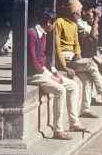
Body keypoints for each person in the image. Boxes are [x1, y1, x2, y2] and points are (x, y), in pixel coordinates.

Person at [54, 0, 102, 117]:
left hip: (74, 59)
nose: (79, 16)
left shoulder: (73, 25)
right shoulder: (59, 22)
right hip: (64, 60)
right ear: (73, 13)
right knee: (91, 64)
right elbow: (57, 46)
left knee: (87, 79)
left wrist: (77, 55)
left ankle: (85, 109)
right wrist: (64, 67)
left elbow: (76, 45)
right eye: (78, 13)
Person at [27, 11, 83, 139]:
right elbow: (33, 61)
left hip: (44, 72)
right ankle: (58, 130)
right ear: (48, 23)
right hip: (34, 75)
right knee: (60, 90)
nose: (53, 27)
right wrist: (50, 76)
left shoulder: (43, 34)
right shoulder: (32, 34)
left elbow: (45, 58)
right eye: (52, 24)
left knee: (73, 85)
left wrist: (54, 71)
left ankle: (74, 122)